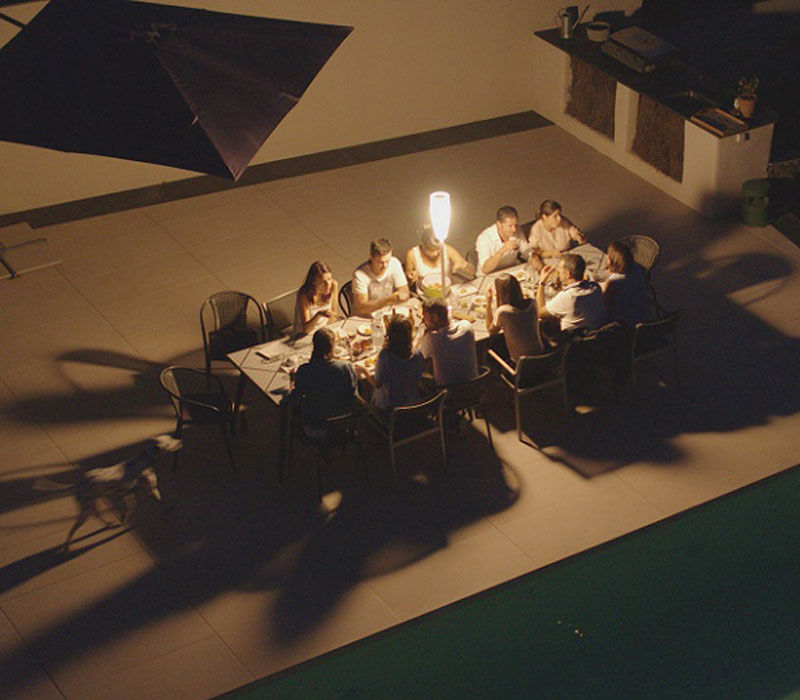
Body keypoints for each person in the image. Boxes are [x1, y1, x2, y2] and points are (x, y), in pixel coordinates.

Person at [287, 328, 358, 438]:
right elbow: (353, 397)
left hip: (315, 427)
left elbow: (294, 400)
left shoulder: (304, 371)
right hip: (342, 424)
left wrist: (292, 383)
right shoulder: (346, 368)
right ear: (332, 347)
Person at [537, 253, 607, 334]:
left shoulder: (567, 297)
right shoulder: (595, 287)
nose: (558, 271)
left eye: (560, 269)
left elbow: (539, 313)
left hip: (575, 342)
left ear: (567, 274)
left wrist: (541, 282)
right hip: (598, 335)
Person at [485, 273, 544, 363]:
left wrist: (488, 303)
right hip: (541, 356)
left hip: (521, 362)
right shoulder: (533, 302)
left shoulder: (503, 312)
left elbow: (491, 330)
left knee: (491, 344)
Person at [419, 298, 478, 386]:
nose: (423, 321)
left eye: (424, 316)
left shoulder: (432, 340)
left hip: (448, 394)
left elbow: (419, 356)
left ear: (435, 318)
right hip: (474, 388)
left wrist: (423, 335)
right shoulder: (467, 327)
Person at [371, 315, 425, 412]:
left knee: (366, 390)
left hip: (389, 409)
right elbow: (419, 376)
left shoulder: (386, 356)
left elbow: (377, 383)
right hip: (412, 403)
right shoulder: (417, 354)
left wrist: (364, 372)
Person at [405, 224, 475, 290]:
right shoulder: (412, 254)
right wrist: (411, 278)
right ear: (424, 242)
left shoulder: (446, 249)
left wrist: (464, 265)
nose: (435, 254)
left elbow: (473, 272)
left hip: (446, 292)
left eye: (438, 251)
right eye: (430, 251)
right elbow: (407, 284)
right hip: (424, 296)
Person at [352, 238, 410, 316]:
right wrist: (387, 300)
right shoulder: (359, 275)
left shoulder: (394, 263)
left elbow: (405, 291)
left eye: (387, 261)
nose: (385, 266)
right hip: (366, 317)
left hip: (386, 312)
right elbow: (363, 308)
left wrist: (402, 295)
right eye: (380, 262)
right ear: (371, 257)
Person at [600, 240, 650, 324]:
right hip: (643, 316)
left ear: (610, 259)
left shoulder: (614, 281)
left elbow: (604, 304)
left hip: (624, 322)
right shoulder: (638, 269)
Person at [528, 200, 586, 270]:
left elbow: (573, 233)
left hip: (566, 259)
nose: (559, 218)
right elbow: (534, 251)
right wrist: (550, 253)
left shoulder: (563, 222)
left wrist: (578, 237)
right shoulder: (536, 229)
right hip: (548, 263)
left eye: (559, 214)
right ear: (544, 217)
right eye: (555, 216)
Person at [476, 205, 530, 275]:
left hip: (509, 271)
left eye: (515, 225)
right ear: (499, 224)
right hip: (488, 276)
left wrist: (532, 256)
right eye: (510, 226)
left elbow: (526, 251)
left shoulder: (517, 230)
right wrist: (503, 250)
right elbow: (485, 269)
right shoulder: (484, 238)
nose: (514, 229)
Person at [293, 260, 339, 335]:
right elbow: (306, 329)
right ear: (314, 282)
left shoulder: (333, 285)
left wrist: (326, 331)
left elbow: (334, 314)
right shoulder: (304, 295)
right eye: (323, 282)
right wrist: (318, 315)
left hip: (324, 329)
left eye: (329, 279)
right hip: (304, 334)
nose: (328, 285)